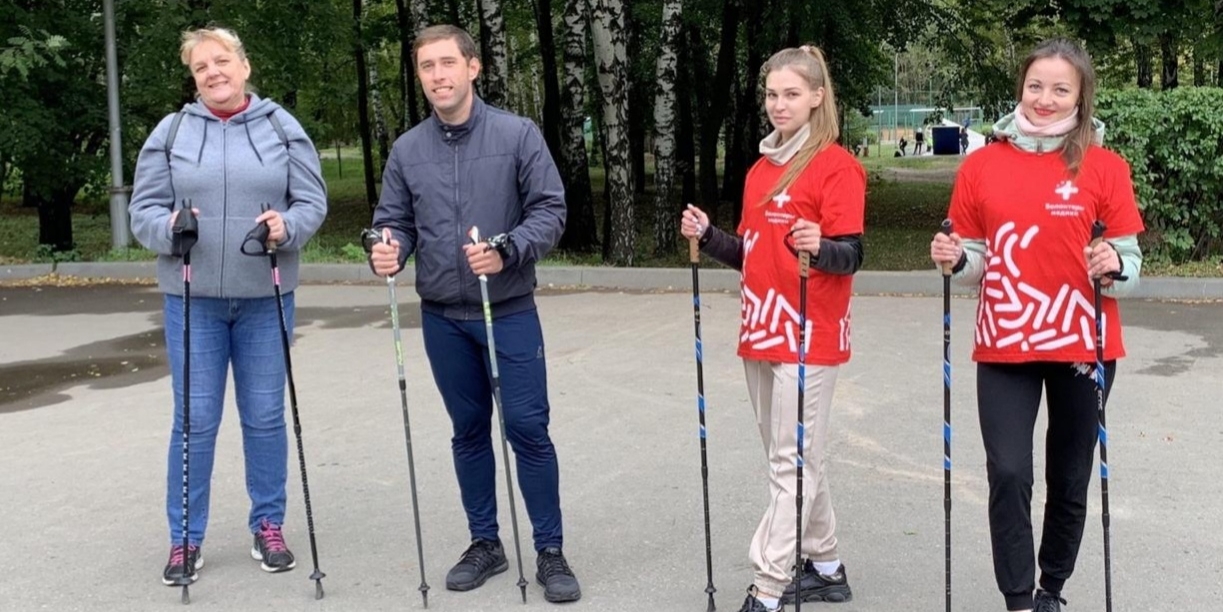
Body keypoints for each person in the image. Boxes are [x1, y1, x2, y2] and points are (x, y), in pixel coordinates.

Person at [367, 25, 580, 604]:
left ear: (472, 67)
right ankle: (485, 542)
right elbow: (394, 221)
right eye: (427, 67)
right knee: (467, 430)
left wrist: (509, 248)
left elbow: (550, 209)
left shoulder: (517, 134)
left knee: (527, 429)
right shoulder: (408, 149)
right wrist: (386, 248)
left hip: (506, 309)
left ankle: (550, 550)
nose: (438, 76)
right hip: (443, 316)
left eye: (447, 63)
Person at [929, 38, 1143, 612]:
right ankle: (1018, 598)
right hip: (1005, 340)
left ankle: (1052, 588)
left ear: (1080, 96)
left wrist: (1114, 264)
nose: (1045, 99)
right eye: (1035, 86)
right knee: (1008, 472)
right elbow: (975, 260)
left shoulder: (1105, 166)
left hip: (1083, 344)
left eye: (1060, 89)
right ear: (1020, 88)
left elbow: (1130, 264)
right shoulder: (982, 166)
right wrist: (956, 258)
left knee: (1070, 475)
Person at [129, 27, 328, 586]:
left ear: (244, 66)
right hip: (193, 299)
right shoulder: (171, 132)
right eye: (201, 67)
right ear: (193, 78)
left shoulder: (280, 126)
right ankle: (185, 538)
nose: (213, 73)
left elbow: (311, 201)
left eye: (221, 61)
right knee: (194, 421)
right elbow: (143, 210)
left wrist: (287, 226)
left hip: (266, 295)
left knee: (264, 417)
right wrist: (169, 227)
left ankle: (268, 525)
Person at [681, 44, 864, 612]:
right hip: (760, 327)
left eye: (791, 94)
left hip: (811, 333)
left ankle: (767, 586)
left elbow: (852, 254)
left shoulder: (836, 165)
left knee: (791, 460)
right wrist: (710, 237)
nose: (779, 105)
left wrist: (821, 246)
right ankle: (826, 564)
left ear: (816, 97)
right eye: (771, 94)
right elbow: (751, 251)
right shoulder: (761, 169)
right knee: (793, 457)